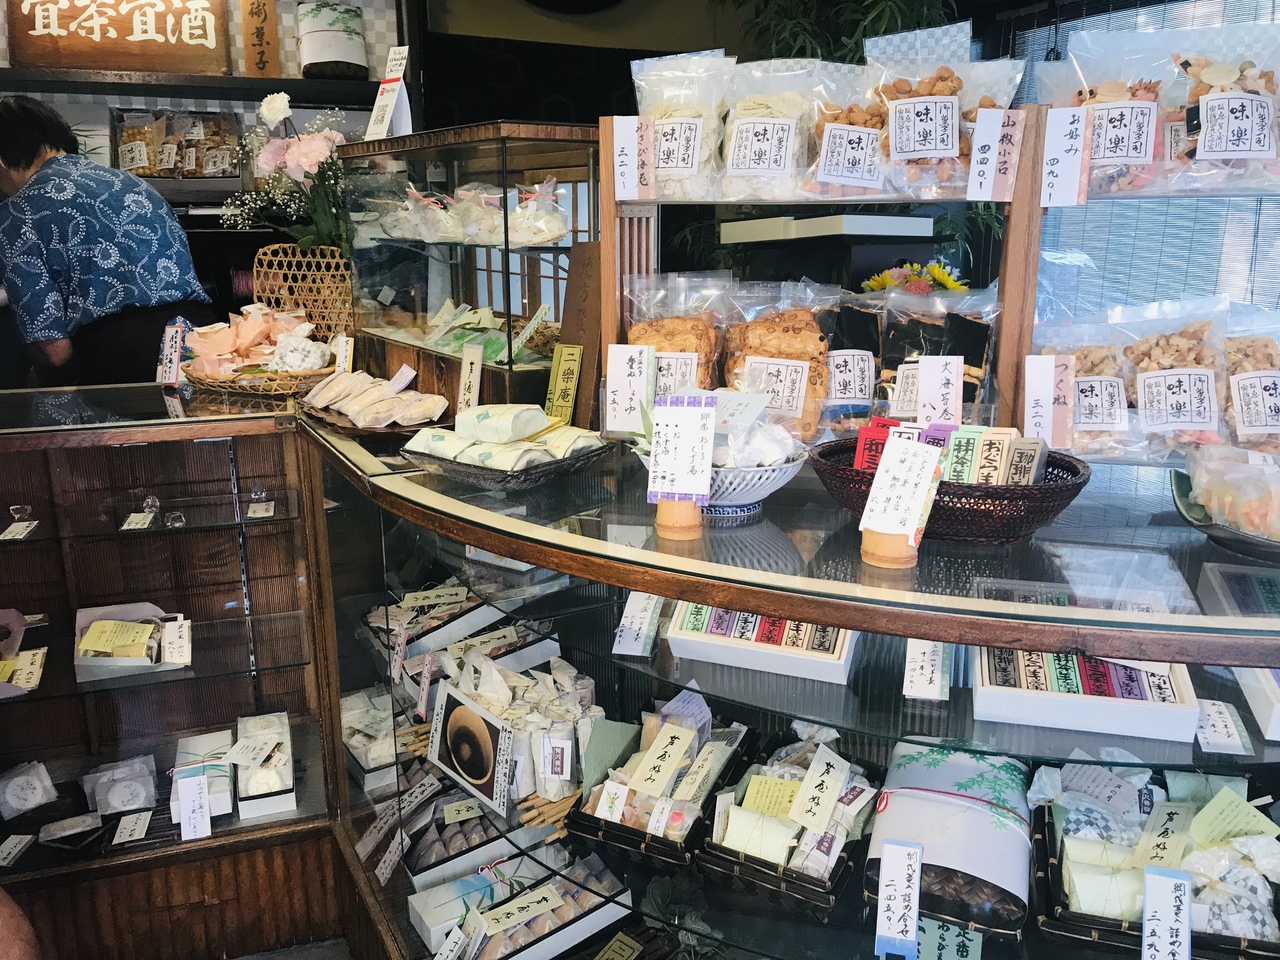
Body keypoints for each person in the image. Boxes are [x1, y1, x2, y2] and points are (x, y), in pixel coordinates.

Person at [0, 96, 217, 386]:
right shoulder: (135, 184)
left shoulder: (17, 212)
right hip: (202, 345)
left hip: (120, 365)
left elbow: (54, 351)